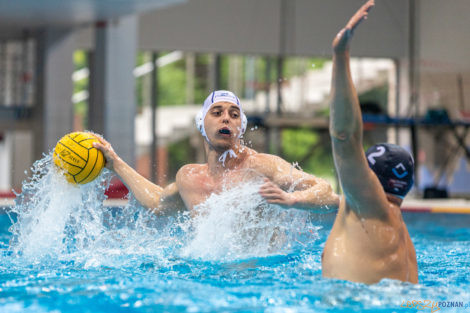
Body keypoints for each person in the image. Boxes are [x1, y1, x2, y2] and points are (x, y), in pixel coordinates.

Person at [93, 90, 339, 216]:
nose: (226, 118)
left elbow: (326, 191)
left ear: (240, 127)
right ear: (202, 123)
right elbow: (158, 203)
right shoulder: (188, 178)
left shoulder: (263, 167)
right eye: (217, 112)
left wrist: (292, 200)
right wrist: (116, 164)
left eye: (234, 115)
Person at [322, 0, 418, 284]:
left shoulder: (367, 203)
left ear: (369, 177)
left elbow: (344, 136)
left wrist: (341, 54)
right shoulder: (401, 234)